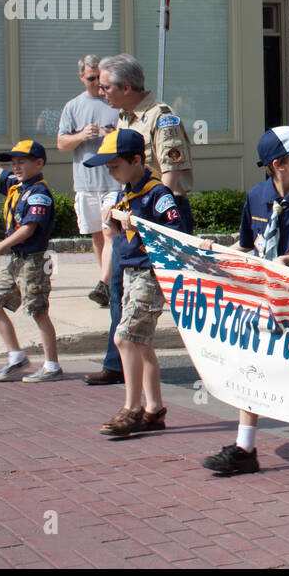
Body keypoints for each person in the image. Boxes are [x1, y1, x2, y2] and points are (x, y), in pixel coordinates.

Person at [200, 126, 289, 476]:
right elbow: (247, 245)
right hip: (263, 297)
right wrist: (214, 255)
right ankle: (244, 446)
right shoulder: (256, 197)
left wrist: (288, 262)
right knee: (252, 366)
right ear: (278, 164)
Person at [86, 54, 194, 386]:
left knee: (180, 295)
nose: (101, 92)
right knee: (120, 286)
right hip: (133, 211)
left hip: (162, 213)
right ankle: (117, 363)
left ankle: (212, 358)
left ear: (126, 86)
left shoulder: (161, 119)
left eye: (105, 86)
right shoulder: (125, 117)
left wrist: (155, 219)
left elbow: (171, 171)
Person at [86, 129, 189, 437]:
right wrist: (114, 221)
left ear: (135, 160)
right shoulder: (126, 191)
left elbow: (175, 235)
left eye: (115, 165)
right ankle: (154, 409)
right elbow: (120, 237)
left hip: (149, 274)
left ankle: (132, 408)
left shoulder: (157, 194)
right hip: (131, 271)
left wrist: (141, 226)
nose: (111, 172)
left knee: (125, 337)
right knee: (141, 343)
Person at [0, 134, 61, 383]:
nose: (16, 167)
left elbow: (29, 228)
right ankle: (16, 356)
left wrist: (0, 246)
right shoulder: (16, 185)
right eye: (14, 162)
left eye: (22, 162)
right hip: (16, 261)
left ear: (39, 164)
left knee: (38, 311)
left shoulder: (39, 193)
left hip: (34, 261)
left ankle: (52, 365)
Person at [56, 54, 121, 307]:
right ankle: (108, 283)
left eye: (100, 78)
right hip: (85, 182)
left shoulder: (114, 104)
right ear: (81, 77)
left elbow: (130, 136)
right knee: (97, 237)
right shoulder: (73, 107)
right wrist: (81, 135)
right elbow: (61, 143)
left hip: (113, 182)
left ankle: (105, 283)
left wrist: (114, 135)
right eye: (91, 78)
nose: (96, 83)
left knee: (110, 234)